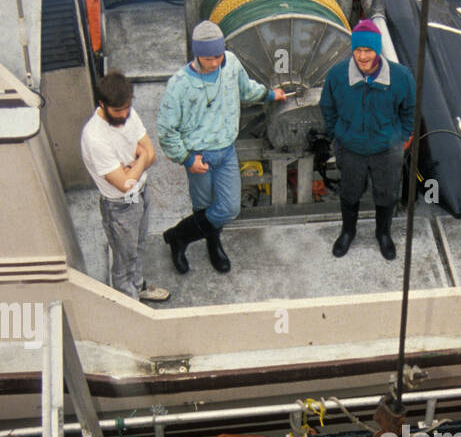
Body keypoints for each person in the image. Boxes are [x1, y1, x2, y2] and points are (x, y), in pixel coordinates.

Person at [156, 20, 287, 275]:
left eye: (218, 56)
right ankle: (213, 244)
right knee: (202, 206)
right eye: (208, 58)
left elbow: (246, 90)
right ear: (196, 54)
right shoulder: (179, 85)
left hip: (226, 150)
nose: (215, 62)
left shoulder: (231, 63)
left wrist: (270, 95)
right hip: (198, 156)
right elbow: (165, 130)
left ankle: (178, 235)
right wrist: (185, 159)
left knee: (228, 208)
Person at [319, 18, 415, 261]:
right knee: (349, 193)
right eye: (358, 50)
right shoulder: (338, 75)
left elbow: (409, 109)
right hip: (350, 148)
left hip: (387, 149)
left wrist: (403, 138)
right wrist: (338, 135)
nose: (362, 56)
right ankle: (347, 232)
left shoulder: (402, 77)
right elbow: (327, 107)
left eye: (368, 50)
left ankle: (383, 233)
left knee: (387, 194)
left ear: (378, 50)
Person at [79, 70, 170, 303]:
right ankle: (129, 303)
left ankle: (138, 286)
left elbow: (152, 154)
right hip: (119, 205)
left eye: (127, 107)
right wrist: (139, 160)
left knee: (139, 245)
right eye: (118, 110)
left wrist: (132, 166)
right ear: (102, 104)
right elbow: (123, 185)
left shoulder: (129, 113)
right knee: (123, 257)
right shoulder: (95, 137)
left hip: (141, 193)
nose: (124, 114)